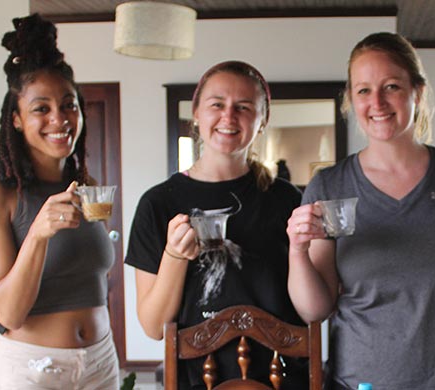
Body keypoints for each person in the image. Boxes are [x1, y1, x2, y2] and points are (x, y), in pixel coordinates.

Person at [287, 32, 435, 390]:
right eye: (363, 90)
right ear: (351, 99)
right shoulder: (329, 186)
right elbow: (314, 310)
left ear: (417, 92)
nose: (377, 102)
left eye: (391, 86)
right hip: (362, 383)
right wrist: (297, 250)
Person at [125, 61, 308, 389]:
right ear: (196, 113)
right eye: (217, 105)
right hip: (196, 380)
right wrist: (175, 255)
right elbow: (154, 326)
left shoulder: (286, 199)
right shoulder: (157, 204)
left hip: (280, 379)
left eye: (243, 107)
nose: (229, 117)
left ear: (262, 120)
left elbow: (309, 306)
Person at [0, 14, 118, 389]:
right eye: (41, 108)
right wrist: (38, 234)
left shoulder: (85, 186)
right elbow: (10, 314)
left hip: (100, 362)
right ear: (16, 119)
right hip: (32, 370)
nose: (59, 119)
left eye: (69, 105)